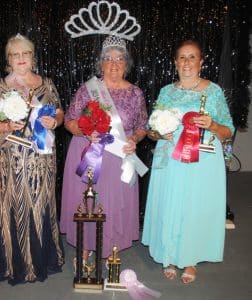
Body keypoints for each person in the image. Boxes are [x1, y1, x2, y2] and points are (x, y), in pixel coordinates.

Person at [142, 40, 234, 284]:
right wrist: (158, 133)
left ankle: (190, 258)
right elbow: (150, 130)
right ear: (175, 63)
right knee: (170, 203)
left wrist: (212, 125)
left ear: (201, 62)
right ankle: (170, 255)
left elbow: (228, 131)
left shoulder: (213, 91)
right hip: (170, 157)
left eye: (192, 57)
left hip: (202, 159)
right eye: (182, 57)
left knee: (194, 205)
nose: (186, 62)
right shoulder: (166, 91)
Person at [0, 34, 64, 285]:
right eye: (15, 55)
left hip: (41, 160)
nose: (20, 59)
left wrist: (54, 121)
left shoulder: (46, 84)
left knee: (40, 205)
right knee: (14, 206)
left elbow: (59, 112)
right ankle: (16, 261)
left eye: (25, 53)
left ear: (32, 56)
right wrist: (4, 124)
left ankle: (43, 258)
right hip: (10, 161)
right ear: (9, 60)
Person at [60, 35, 148, 262]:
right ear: (101, 64)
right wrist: (84, 131)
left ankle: (112, 245)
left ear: (126, 64)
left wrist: (135, 140)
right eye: (108, 59)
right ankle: (86, 245)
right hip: (90, 153)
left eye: (119, 59)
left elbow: (142, 126)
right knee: (89, 199)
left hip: (119, 156)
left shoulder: (135, 93)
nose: (114, 63)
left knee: (113, 203)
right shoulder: (88, 89)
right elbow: (69, 121)